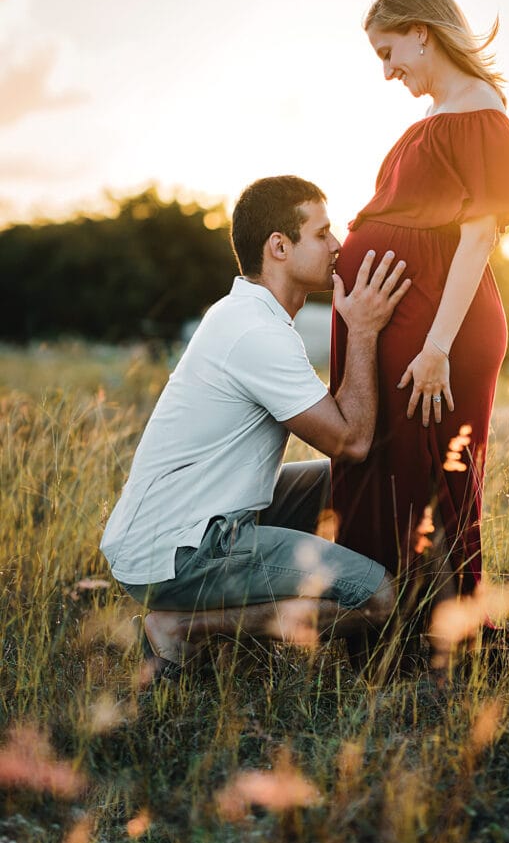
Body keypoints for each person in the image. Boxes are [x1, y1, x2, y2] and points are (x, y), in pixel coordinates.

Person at [331, 0, 509, 662]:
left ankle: (437, 632)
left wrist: (435, 347)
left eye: (389, 52)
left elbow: (479, 236)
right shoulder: (443, 112)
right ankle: (389, 619)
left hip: (436, 326)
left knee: (431, 470)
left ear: (422, 31)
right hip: (408, 315)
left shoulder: (477, 105)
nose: (387, 72)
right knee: (393, 460)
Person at [100, 175, 411, 678]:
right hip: (184, 552)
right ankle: (182, 627)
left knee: (338, 481)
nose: (337, 246)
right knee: (376, 599)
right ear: (279, 246)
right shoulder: (254, 332)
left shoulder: (248, 314)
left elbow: (342, 448)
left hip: (191, 523)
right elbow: (350, 439)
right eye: (323, 233)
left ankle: (226, 612)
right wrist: (364, 329)